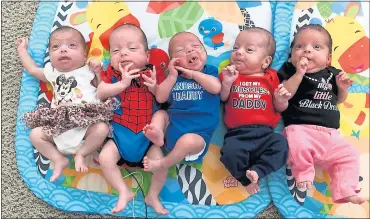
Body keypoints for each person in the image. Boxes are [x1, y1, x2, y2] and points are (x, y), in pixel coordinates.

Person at [278, 24, 365, 204]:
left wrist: (342, 89)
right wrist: (299, 74)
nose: (306, 50)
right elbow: (284, 93)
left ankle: (345, 189)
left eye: (316, 47)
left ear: (328, 59)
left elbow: (339, 100)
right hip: (301, 129)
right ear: (292, 55)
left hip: (331, 136)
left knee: (351, 155)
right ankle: (303, 175)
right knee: (294, 141)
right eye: (299, 47)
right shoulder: (290, 71)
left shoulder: (333, 74)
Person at [17, 26, 114, 182]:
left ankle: (81, 154)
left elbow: (103, 89)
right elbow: (33, 70)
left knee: (102, 128)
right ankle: (57, 159)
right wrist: (22, 50)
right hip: (59, 125)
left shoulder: (87, 70)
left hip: (85, 124)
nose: (63, 50)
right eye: (56, 47)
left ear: (84, 54)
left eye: (71, 45)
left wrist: (98, 72)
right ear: (50, 55)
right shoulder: (52, 72)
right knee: (35, 135)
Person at [96, 24, 168, 214]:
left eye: (132, 48)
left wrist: (154, 88)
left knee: (162, 116)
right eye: (116, 50)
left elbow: (164, 99)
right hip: (120, 134)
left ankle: (152, 195)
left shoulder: (153, 73)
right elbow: (101, 93)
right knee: (105, 158)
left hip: (148, 138)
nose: (123, 54)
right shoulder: (112, 75)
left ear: (147, 55)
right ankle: (123, 191)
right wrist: (122, 83)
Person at [219, 27, 290, 195]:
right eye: (236, 48)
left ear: (265, 62)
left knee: (282, 146)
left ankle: (258, 171)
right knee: (228, 154)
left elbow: (279, 108)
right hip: (237, 133)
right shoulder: (230, 74)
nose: (239, 52)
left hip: (266, 134)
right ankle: (243, 178)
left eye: (248, 50)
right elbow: (222, 98)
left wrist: (281, 100)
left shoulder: (271, 77)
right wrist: (227, 83)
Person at [142, 32, 221, 173]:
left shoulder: (210, 72)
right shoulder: (173, 78)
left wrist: (194, 75)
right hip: (172, 128)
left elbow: (216, 88)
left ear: (205, 52)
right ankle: (159, 135)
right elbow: (160, 98)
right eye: (180, 50)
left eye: (196, 46)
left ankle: (164, 163)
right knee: (160, 114)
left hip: (198, 136)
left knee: (188, 141)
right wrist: (172, 75)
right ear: (174, 62)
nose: (190, 50)